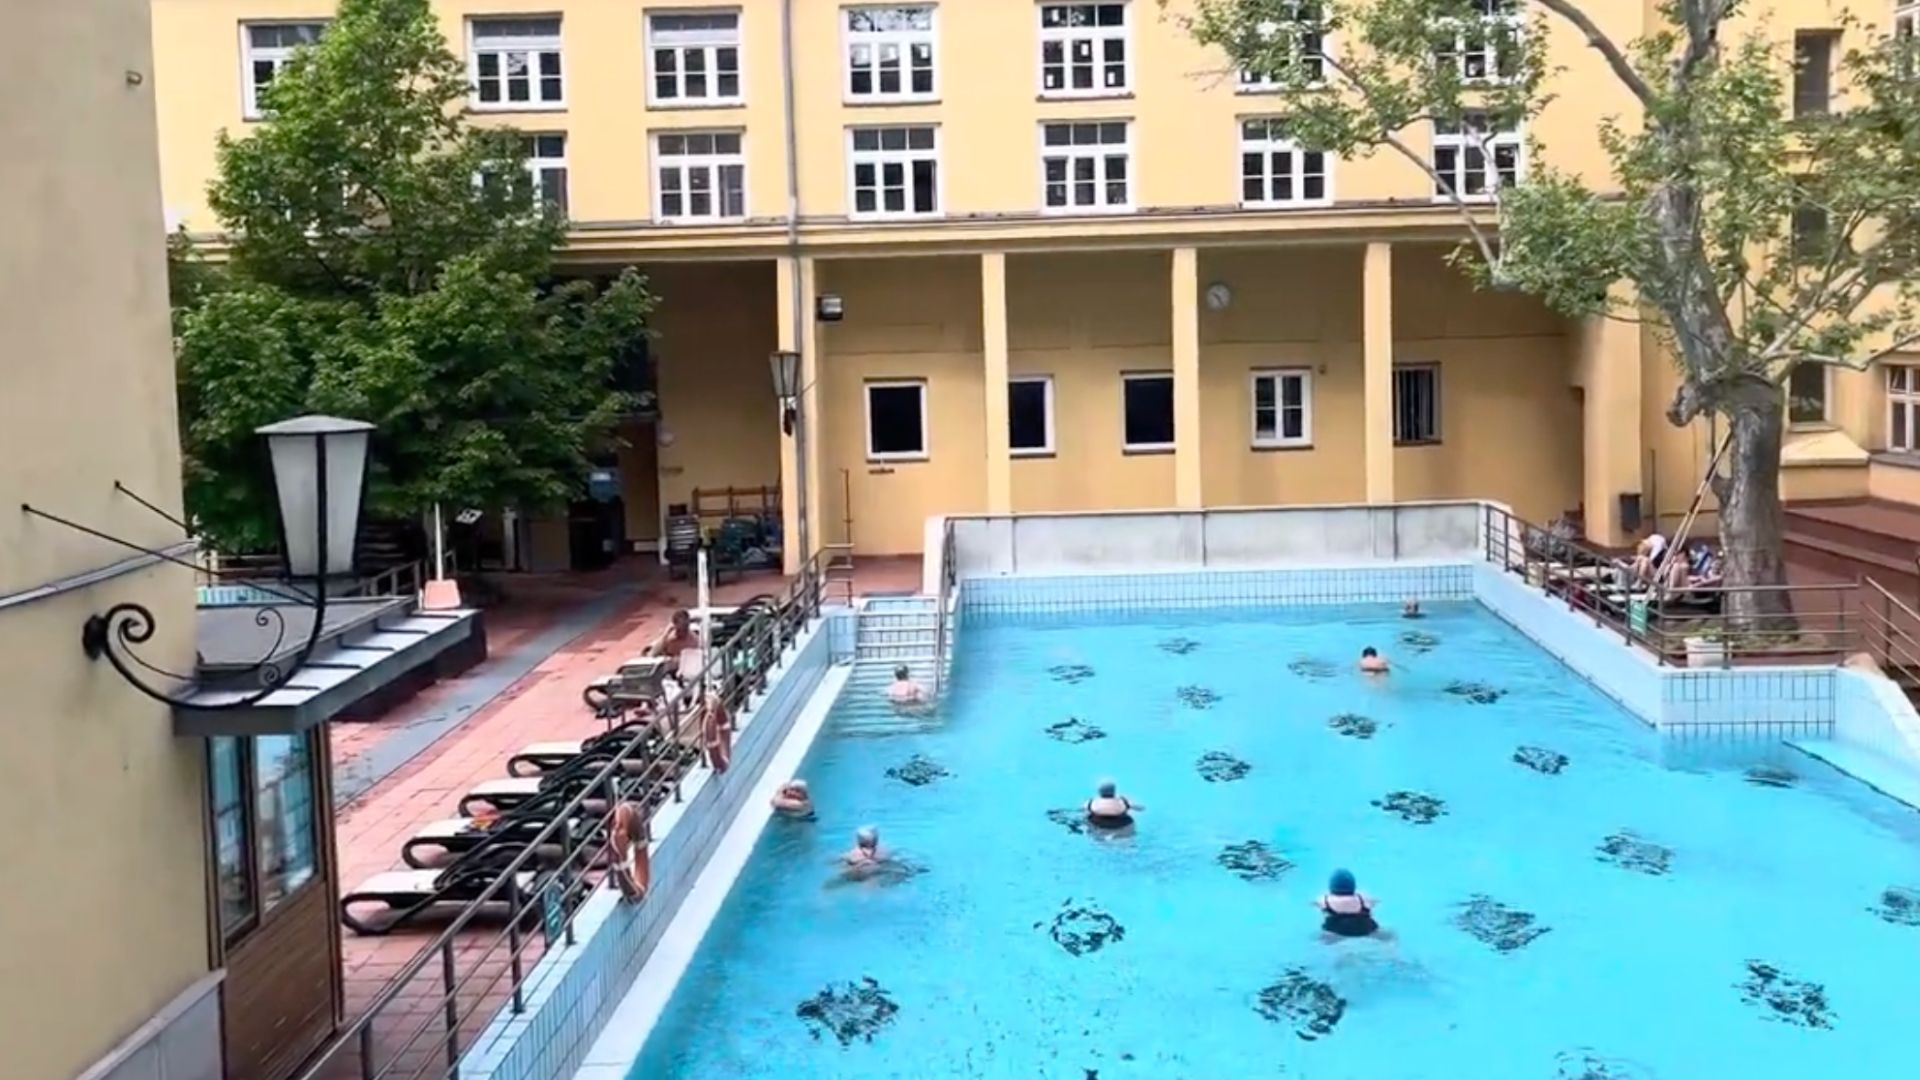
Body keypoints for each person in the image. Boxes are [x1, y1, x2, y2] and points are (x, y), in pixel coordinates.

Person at [1317, 869, 1381, 939]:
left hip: (1336, 929)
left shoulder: (1325, 900)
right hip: (1364, 926)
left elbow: (1316, 905)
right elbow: (1375, 902)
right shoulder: (1362, 899)